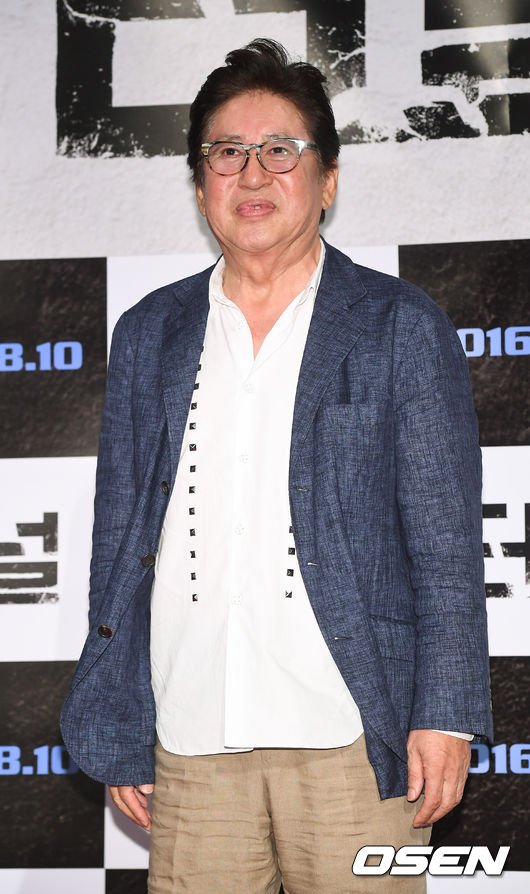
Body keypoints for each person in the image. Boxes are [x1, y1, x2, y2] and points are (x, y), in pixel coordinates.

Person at [61, 39, 492, 893]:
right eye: (227, 152)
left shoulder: (399, 325)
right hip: (190, 743)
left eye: (280, 150)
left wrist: (445, 714)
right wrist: (118, 715)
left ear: (327, 180)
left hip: (354, 737)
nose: (252, 173)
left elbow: (445, 546)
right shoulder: (149, 333)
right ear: (200, 186)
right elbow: (120, 546)